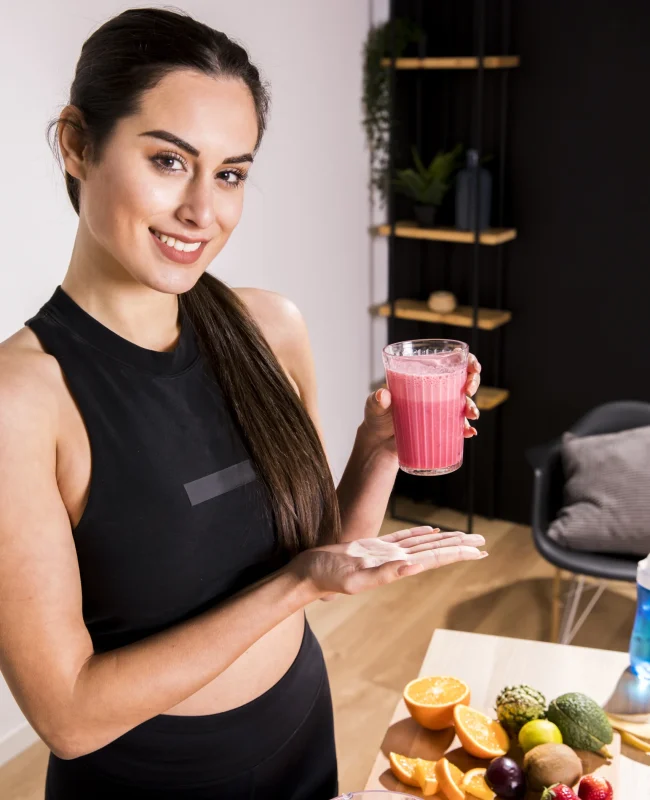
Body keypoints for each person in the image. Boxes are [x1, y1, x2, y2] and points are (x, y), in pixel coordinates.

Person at [0, 8, 486, 800]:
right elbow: (69, 717)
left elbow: (323, 558)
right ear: (77, 145)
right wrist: (294, 586)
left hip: (302, 734)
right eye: (168, 161)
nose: (204, 211)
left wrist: (381, 445)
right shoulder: (21, 398)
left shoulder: (270, 328)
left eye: (230, 174)